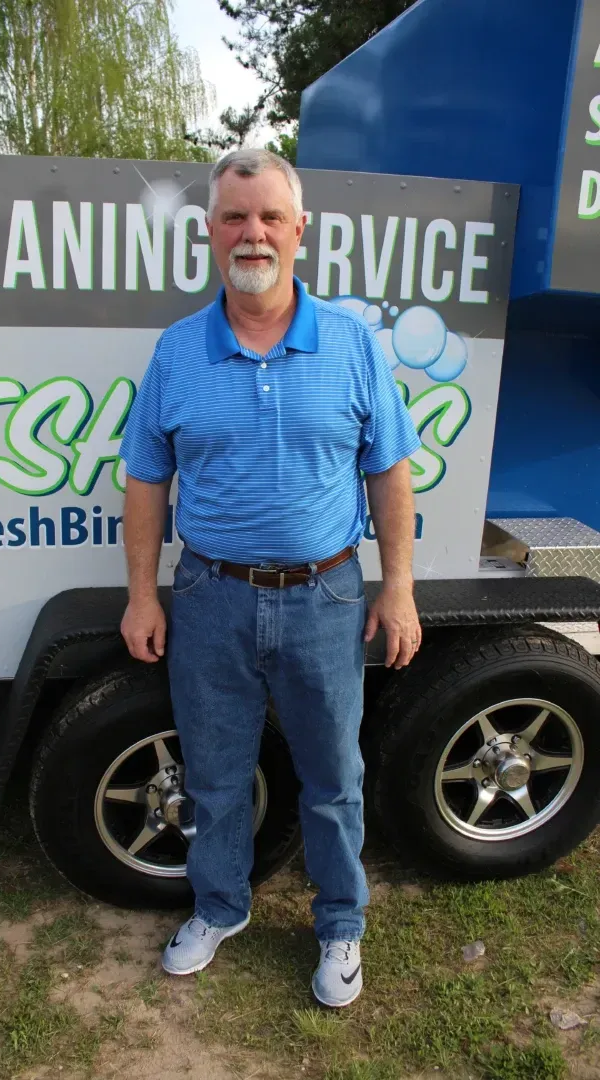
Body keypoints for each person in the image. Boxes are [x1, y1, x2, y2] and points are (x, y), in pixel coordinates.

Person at [120, 148, 422, 1008]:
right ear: (211, 232)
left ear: (299, 231)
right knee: (214, 775)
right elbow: (147, 479)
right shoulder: (178, 352)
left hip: (327, 599)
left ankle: (340, 926)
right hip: (210, 597)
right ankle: (219, 906)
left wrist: (397, 586)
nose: (251, 232)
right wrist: (144, 594)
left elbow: (389, 472)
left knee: (334, 778)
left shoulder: (355, 345)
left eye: (268, 217)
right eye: (232, 217)